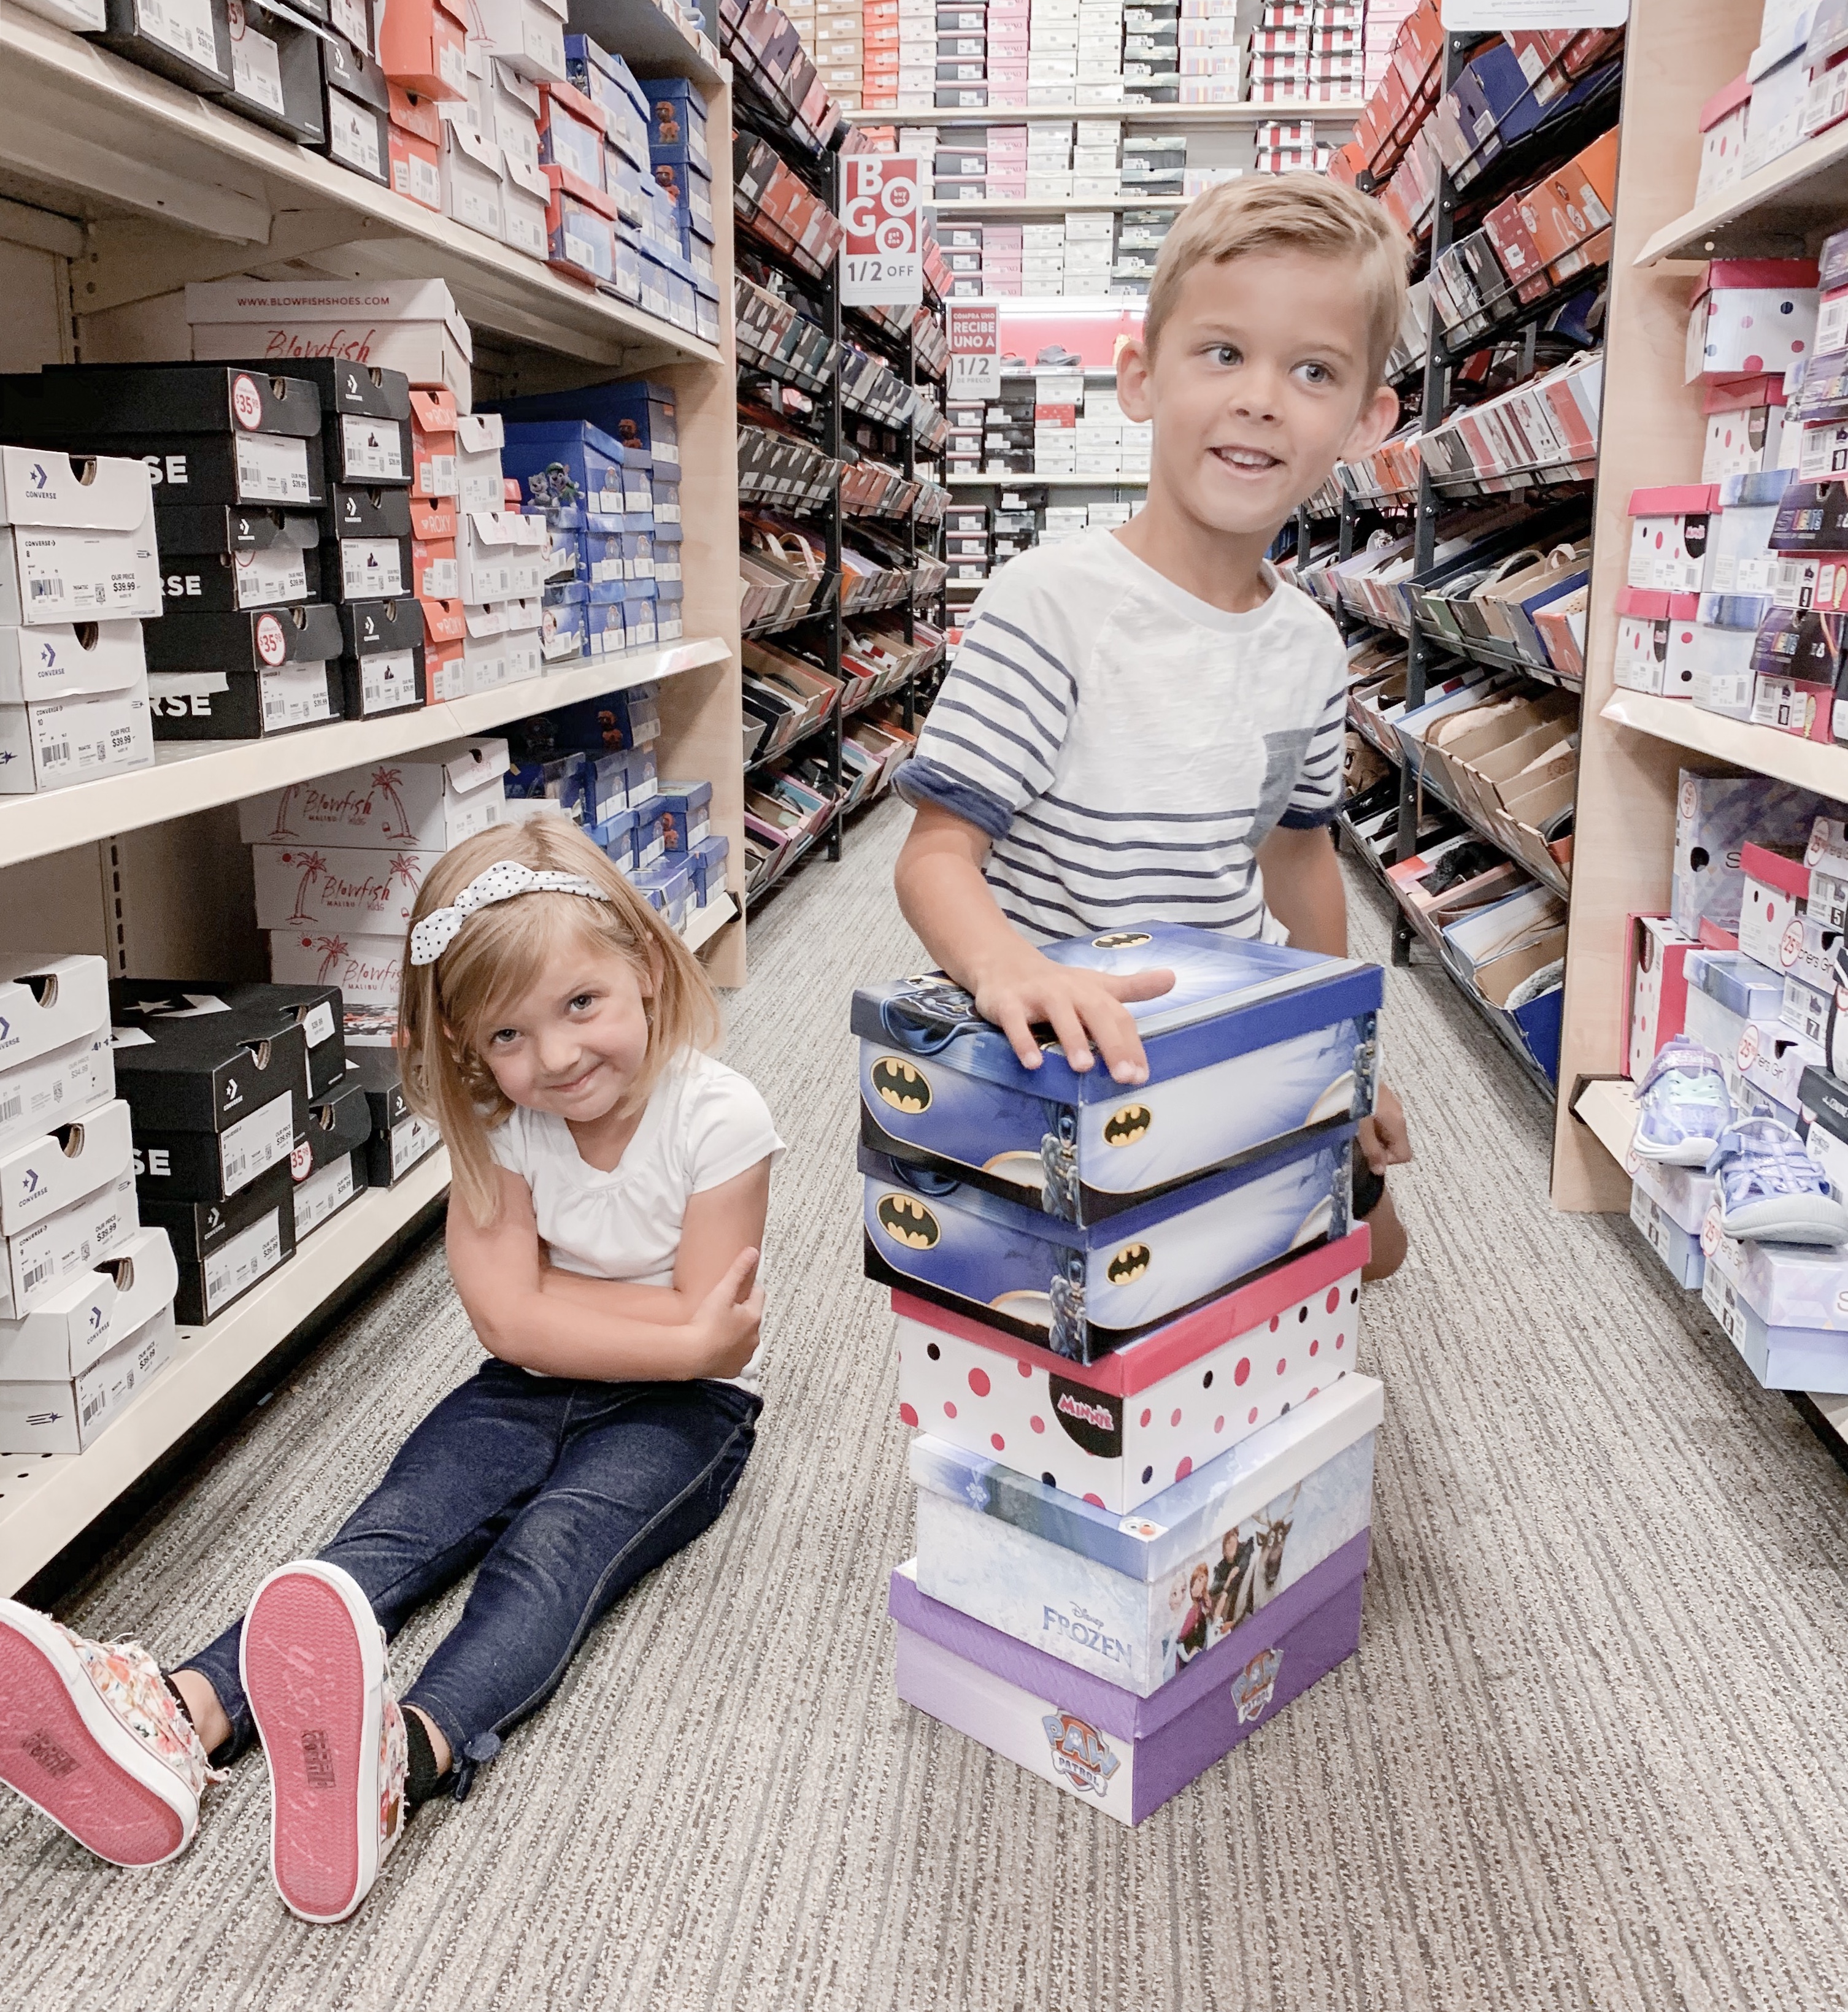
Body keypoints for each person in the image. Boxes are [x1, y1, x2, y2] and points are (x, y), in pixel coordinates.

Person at [0, 818, 780, 1924]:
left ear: (647, 970)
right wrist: (639, 1322)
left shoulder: (721, 1114)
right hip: (533, 1385)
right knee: (392, 1529)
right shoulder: (503, 1130)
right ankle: (183, 1713)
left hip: (690, 1412)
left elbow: (713, 1339)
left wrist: (581, 1314)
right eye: (509, 1036)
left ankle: (406, 1756)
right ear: (466, 1045)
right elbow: (522, 1324)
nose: (554, 1058)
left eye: (582, 1006)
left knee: (552, 1556)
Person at [894, 173, 1413, 1277]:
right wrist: (1007, 971)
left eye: (1313, 370)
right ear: (1141, 376)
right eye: (1222, 353)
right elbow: (937, 856)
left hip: (1226, 1038)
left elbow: (1299, 856)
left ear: (1368, 421)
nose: (1261, 398)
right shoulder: (1050, 607)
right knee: (1096, 1303)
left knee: (1363, 1255)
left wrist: (1336, 1050)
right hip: (1069, 1046)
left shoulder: (1311, 649)